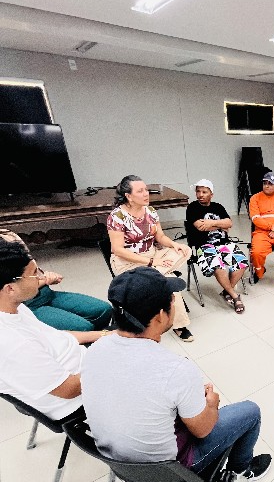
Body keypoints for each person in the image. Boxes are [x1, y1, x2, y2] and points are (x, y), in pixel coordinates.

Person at [81, 267, 271, 482]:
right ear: (161, 316)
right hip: (171, 472)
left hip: (120, 466)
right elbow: (203, 430)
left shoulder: (95, 349)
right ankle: (240, 473)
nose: (174, 303)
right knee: (250, 412)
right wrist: (211, 404)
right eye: (172, 300)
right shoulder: (176, 369)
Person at [0, 240, 108, 419]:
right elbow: (69, 389)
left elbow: (56, 337)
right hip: (77, 400)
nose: (40, 278)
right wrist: (110, 361)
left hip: (83, 367)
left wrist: (106, 335)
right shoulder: (12, 343)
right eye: (34, 274)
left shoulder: (14, 308)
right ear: (10, 288)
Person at [107, 175, 194, 342]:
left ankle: (153, 275)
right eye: (140, 191)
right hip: (128, 262)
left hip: (153, 255)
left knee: (186, 250)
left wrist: (174, 244)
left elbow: (160, 236)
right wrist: (152, 263)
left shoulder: (151, 211)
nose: (146, 193)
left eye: (146, 189)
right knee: (168, 281)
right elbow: (118, 250)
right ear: (128, 196)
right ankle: (179, 326)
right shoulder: (117, 216)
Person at [0, 228, 112, 332]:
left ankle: (95, 339)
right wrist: (44, 280)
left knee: (104, 310)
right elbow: (18, 286)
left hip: (44, 293)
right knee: (83, 327)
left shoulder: (7, 236)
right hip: (26, 304)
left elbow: (29, 270)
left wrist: (45, 275)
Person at [186, 179, 248, 313]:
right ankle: (234, 296)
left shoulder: (218, 207)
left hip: (224, 243)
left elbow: (229, 223)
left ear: (211, 194)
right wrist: (220, 225)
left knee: (242, 262)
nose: (200, 195)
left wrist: (210, 223)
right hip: (203, 246)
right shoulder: (192, 207)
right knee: (218, 266)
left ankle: (227, 291)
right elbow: (200, 227)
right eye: (198, 191)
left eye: (204, 192)